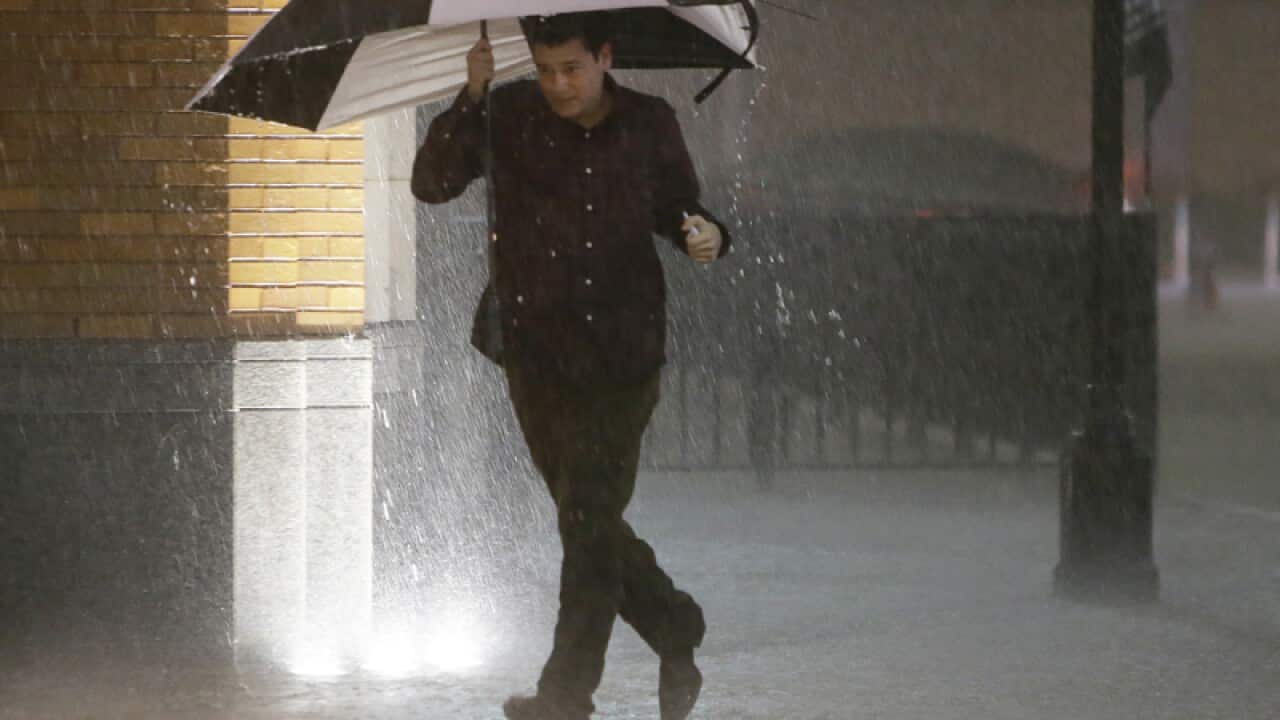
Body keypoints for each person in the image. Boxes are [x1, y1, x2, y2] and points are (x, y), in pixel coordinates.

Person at [411, 12, 731, 720]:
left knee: (586, 518)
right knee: (588, 521)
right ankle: (673, 623)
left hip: (623, 354)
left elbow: (678, 207)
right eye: (546, 70)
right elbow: (430, 183)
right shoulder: (506, 115)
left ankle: (564, 696)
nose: (558, 85)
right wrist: (470, 96)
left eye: (572, 70)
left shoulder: (648, 122)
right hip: (535, 352)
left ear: (605, 57)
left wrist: (704, 233)